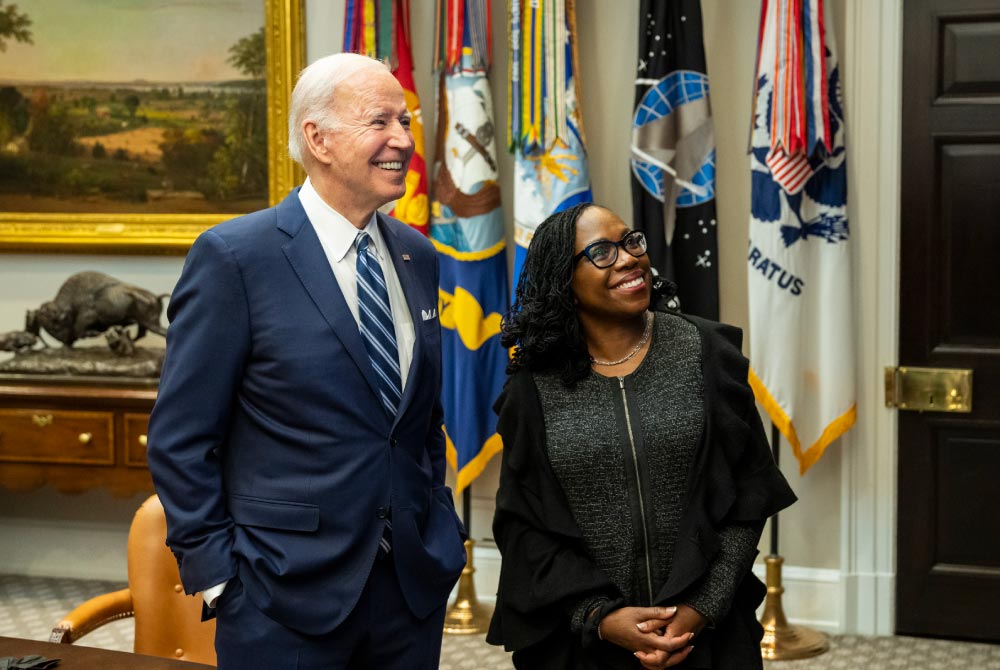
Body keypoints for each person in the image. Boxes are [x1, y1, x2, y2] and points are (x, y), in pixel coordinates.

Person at [146, 53, 467, 670]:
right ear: (318, 138)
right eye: (381, 121)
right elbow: (181, 438)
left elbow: (419, 420)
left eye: (405, 121)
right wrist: (220, 579)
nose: (402, 139)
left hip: (410, 590)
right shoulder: (235, 258)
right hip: (280, 595)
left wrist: (439, 532)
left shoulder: (416, 255)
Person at [486, 203, 797, 670]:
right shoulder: (533, 387)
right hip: (584, 644)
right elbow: (525, 527)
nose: (629, 258)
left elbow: (746, 499)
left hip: (705, 635)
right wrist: (598, 616)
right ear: (563, 281)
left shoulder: (707, 354)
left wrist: (701, 608)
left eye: (631, 242)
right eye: (602, 252)